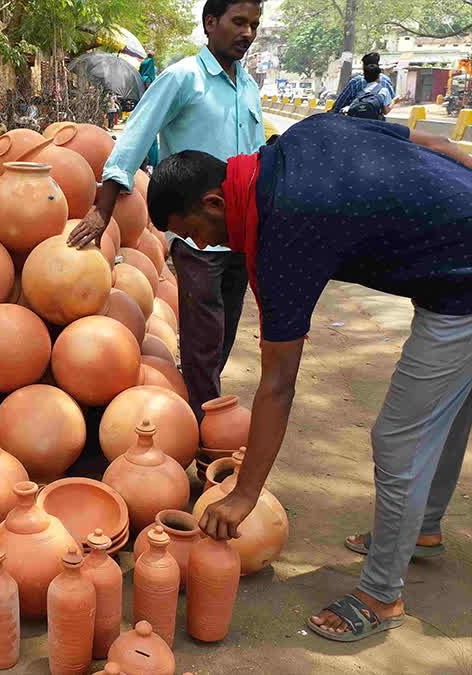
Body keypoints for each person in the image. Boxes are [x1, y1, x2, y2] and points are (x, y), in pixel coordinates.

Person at [146, 113, 472, 643]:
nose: (202, 246)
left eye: (195, 234)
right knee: (447, 408)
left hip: (463, 290)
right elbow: (437, 142)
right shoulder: (306, 136)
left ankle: (381, 596)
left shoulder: (284, 231)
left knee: (397, 441)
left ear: (212, 203)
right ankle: (424, 530)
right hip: (452, 272)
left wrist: (244, 494)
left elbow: (279, 383)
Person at [67, 0, 264, 424]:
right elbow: (135, 136)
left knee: (226, 325)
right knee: (203, 330)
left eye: (254, 24)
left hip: (243, 230)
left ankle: (204, 406)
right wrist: (103, 210)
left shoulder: (248, 86)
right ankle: (202, 423)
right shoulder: (182, 78)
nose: (247, 32)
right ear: (211, 23)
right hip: (198, 231)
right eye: (238, 22)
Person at [332, 52, 396, 119]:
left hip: (355, 121)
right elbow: (388, 103)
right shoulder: (386, 81)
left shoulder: (355, 81)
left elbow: (339, 104)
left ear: (364, 66)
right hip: (376, 123)